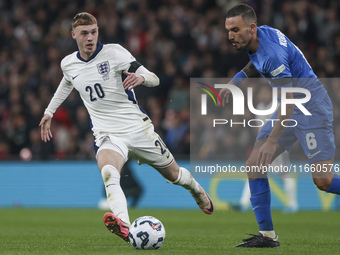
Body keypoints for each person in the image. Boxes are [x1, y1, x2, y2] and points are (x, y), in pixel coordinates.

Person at [39, 12, 214, 243]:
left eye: (93, 32)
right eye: (84, 33)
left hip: (138, 130)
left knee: (175, 175)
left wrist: (142, 79)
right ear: (74, 35)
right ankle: (124, 224)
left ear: (98, 31)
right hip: (108, 134)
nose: (90, 37)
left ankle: (196, 190)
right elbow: (67, 82)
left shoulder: (114, 53)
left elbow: (154, 78)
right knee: (109, 173)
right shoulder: (68, 63)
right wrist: (49, 111)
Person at [219, 4, 339, 248]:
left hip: (311, 108)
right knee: (254, 165)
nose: (230, 35)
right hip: (291, 107)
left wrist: (272, 141)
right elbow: (256, 63)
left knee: (323, 181)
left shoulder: (273, 53)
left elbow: (290, 99)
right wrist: (235, 81)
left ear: (251, 28)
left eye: (235, 30)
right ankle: (268, 236)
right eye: (228, 30)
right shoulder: (259, 36)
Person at [239, 86, 298, 213]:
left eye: (265, 92)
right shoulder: (258, 107)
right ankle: (243, 203)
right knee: (254, 170)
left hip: (276, 145)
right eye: (261, 92)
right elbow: (257, 127)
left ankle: (293, 204)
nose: (263, 95)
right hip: (262, 146)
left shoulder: (277, 105)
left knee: (283, 173)